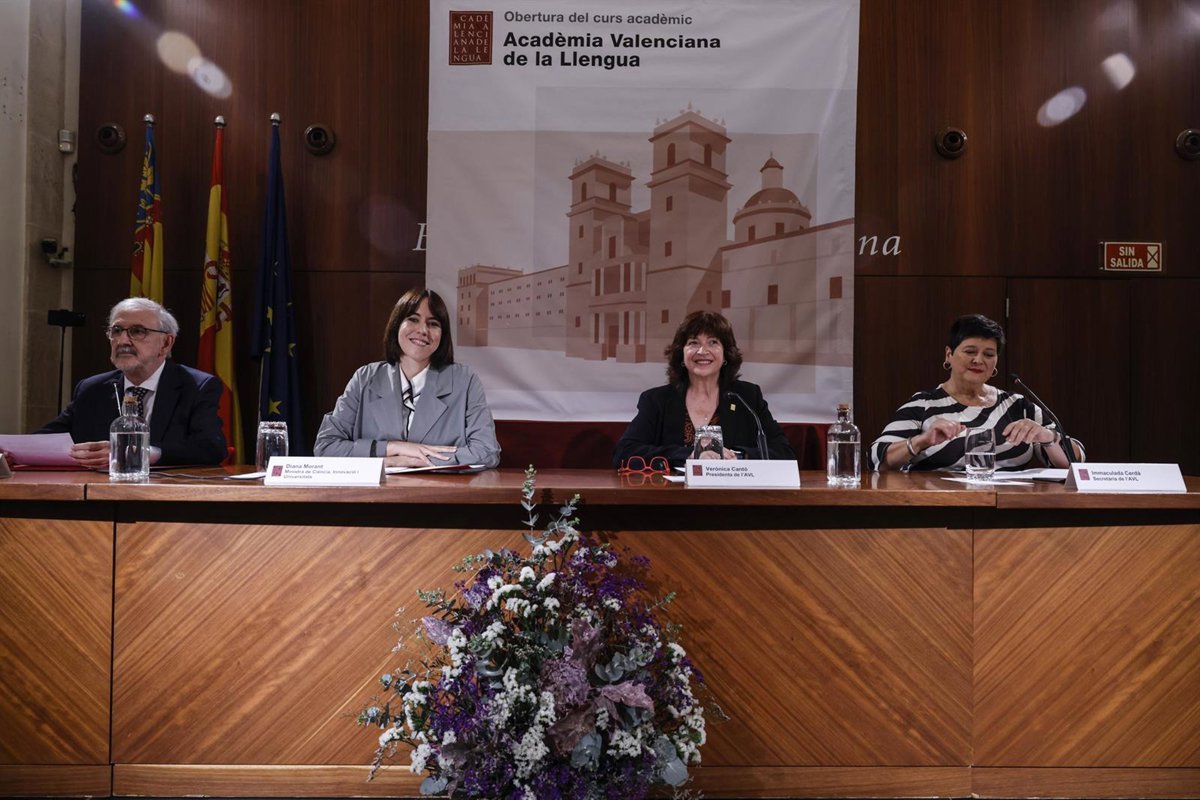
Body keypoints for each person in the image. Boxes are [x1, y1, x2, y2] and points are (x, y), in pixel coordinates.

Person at [868, 313, 1084, 472]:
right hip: (941, 507)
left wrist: (1048, 437)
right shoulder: (923, 404)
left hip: (1012, 509)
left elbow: (1077, 462)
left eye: (989, 354)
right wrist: (921, 441)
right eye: (970, 351)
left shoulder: (1018, 406)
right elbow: (877, 458)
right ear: (949, 354)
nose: (979, 360)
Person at [314, 288, 501, 469]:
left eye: (433, 323)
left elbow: (487, 452)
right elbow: (326, 446)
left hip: (442, 489)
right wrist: (392, 449)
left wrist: (416, 460)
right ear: (396, 325)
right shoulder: (365, 378)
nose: (423, 330)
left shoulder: (465, 381)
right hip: (376, 489)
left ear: (443, 335)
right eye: (413, 319)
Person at [35, 297, 228, 468]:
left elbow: (211, 448)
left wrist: (139, 453)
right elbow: (46, 440)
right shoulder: (92, 389)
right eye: (116, 331)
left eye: (137, 331)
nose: (122, 341)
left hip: (167, 493)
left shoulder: (197, 386)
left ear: (166, 343)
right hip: (100, 492)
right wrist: (16, 450)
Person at [613, 310, 795, 468]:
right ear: (681, 353)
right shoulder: (657, 400)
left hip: (735, 495)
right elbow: (624, 453)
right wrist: (689, 456)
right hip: (673, 495)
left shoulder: (747, 397)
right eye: (693, 343)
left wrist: (739, 456)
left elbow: (784, 453)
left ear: (726, 354)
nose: (702, 351)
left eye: (713, 342)